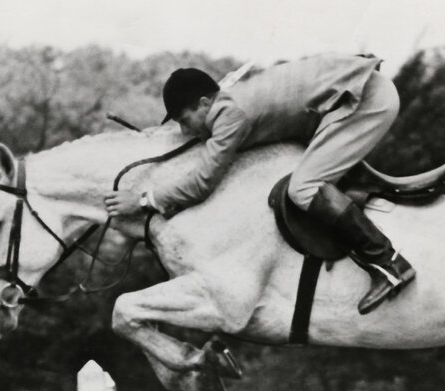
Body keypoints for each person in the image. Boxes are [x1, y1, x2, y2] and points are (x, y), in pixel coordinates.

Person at [105, 53, 414, 315]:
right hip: (355, 95)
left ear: (203, 103)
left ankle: (388, 263)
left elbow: (203, 181)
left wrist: (145, 200)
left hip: (366, 101)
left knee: (303, 187)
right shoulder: (227, 100)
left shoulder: (229, 115)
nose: (186, 131)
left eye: (185, 120)